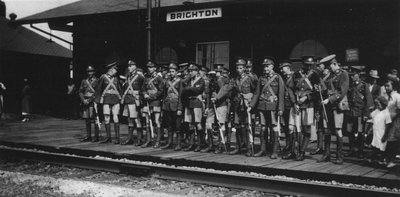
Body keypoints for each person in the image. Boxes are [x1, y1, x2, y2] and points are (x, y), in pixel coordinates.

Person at [250, 57, 284, 159]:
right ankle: (263, 150)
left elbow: (281, 94)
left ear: (272, 66)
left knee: (274, 128)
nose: (265, 68)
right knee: (263, 128)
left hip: (273, 106)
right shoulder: (261, 78)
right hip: (262, 106)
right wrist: (251, 105)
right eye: (264, 66)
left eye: (267, 66)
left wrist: (281, 108)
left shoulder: (278, 77)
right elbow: (257, 93)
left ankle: (274, 151)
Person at [319, 54, 350, 165]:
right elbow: (326, 89)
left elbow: (342, 92)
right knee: (327, 130)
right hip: (328, 106)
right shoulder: (330, 75)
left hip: (337, 106)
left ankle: (339, 156)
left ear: (335, 64)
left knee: (338, 130)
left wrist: (329, 99)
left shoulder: (343, 74)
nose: (329, 68)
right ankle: (326, 155)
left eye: (330, 66)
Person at [293, 56, 320, 161]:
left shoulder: (314, 75)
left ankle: (302, 151)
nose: (308, 67)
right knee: (298, 129)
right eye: (306, 65)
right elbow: (291, 89)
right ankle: (298, 150)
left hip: (309, 105)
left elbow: (317, 92)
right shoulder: (296, 74)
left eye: (310, 65)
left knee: (306, 129)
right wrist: (294, 101)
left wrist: (306, 97)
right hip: (298, 104)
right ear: (302, 64)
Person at [230, 58, 256, 155]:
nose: (238, 70)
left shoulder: (251, 78)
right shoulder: (235, 79)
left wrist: (252, 104)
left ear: (245, 68)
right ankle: (238, 147)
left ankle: (249, 147)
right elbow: (229, 89)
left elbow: (255, 91)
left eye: (241, 68)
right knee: (237, 125)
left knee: (247, 125)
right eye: (237, 68)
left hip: (247, 105)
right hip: (238, 104)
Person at [344, 68, 373, 158]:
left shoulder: (364, 85)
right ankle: (351, 150)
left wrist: (366, 114)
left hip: (360, 112)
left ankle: (360, 151)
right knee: (350, 132)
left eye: (354, 75)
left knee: (360, 132)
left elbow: (368, 101)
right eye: (351, 75)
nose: (352, 77)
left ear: (358, 75)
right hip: (350, 112)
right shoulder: (349, 85)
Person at [203, 66, 232, 153]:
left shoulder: (225, 80)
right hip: (212, 105)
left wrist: (217, 97)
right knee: (208, 123)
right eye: (216, 71)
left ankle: (221, 145)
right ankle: (211, 145)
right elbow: (208, 94)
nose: (218, 73)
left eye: (220, 71)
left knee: (221, 124)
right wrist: (207, 106)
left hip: (221, 104)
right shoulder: (212, 80)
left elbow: (225, 91)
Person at [94, 62, 122, 144]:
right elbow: (98, 90)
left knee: (116, 117)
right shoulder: (103, 77)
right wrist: (96, 101)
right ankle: (108, 137)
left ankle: (117, 138)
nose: (116, 71)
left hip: (116, 100)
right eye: (114, 69)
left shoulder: (116, 79)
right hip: (106, 99)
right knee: (106, 118)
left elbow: (119, 89)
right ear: (110, 69)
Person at [181, 63, 205, 151]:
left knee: (198, 123)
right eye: (189, 71)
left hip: (196, 103)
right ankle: (191, 143)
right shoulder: (189, 80)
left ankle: (200, 143)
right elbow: (183, 85)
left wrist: (188, 88)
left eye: (192, 71)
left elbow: (198, 90)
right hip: (189, 102)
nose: (190, 73)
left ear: (197, 72)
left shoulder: (201, 80)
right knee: (190, 123)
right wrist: (188, 84)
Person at [120, 60, 145, 145]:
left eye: (130, 66)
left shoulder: (140, 76)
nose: (129, 68)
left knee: (137, 119)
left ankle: (139, 139)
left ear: (135, 66)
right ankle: (129, 138)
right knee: (129, 119)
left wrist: (141, 99)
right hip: (128, 99)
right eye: (128, 66)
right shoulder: (128, 76)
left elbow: (143, 88)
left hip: (135, 100)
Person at [141, 60, 165, 148]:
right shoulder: (146, 77)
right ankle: (148, 140)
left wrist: (150, 97)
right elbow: (142, 89)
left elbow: (161, 91)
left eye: (151, 67)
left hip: (155, 102)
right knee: (147, 121)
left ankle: (157, 141)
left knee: (157, 121)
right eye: (148, 67)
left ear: (155, 68)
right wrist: (144, 94)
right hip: (147, 102)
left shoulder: (159, 78)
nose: (149, 69)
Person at [160, 62, 183, 150]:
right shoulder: (167, 81)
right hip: (168, 106)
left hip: (176, 106)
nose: (171, 73)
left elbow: (181, 95)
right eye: (170, 71)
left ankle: (178, 144)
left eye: (173, 71)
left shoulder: (180, 81)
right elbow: (165, 94)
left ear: (177, 72)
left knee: (177, 127)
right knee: (169, 126)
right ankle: (169, 143)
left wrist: (180, 108)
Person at [280, 60, 298, 159]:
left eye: (283, 68)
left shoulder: (293, 76)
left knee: (292, 127)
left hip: (292, 104)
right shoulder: (284, 77)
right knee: (286, 125)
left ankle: (293, 148)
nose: (282, 70)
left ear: (288, 68)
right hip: (285, 104)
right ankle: (288, 145)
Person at [78, 66, 99, 142]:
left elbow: (97, 92)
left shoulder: (97, 80)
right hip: (85, 102)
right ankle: (88, 136)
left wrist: (89, 100)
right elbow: (80, 91)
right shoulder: (84, 81)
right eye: (88, 72)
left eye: (91, 71)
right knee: (87, 119)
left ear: (94, 72)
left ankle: (96, 136)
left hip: (93, 101)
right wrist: (83, 100)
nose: (90, 73)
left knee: (93, 119)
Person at [382, 79, 400, 168]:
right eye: (385, 86)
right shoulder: (387, 96)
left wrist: (393, 117)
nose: (386, 87)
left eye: (388, 86)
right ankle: (387, 159)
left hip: (396, 121)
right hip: (388, 120)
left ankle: (391, 160)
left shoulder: (397, 96)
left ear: (394, 87)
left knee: (393, 140)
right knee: (387, 139)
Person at [368, 96, 391, 164]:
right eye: (376, 105)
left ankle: (382, 159)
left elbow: (388, 125)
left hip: (382, 132)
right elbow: (370, 116)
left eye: (378, 105)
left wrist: (385, 135)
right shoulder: (376, 111)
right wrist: (372, 109)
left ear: (383, 104)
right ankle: (374, 158)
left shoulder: (386, 113)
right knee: (374, 145)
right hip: (375, 131)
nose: (377, 106)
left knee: (382, 146)